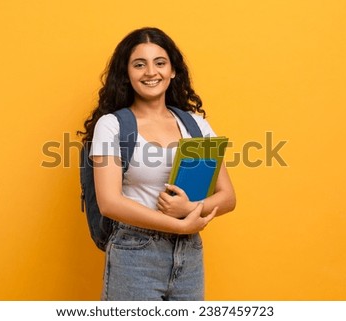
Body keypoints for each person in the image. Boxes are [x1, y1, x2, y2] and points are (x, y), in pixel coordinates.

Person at [79, 27, 236, 300]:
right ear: (127, 74)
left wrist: (189, 209)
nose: (151, 72)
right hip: (134, 253)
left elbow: (228, 197)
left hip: (189, 254)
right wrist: (179, 224)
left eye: (160, 63)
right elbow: (109, 202)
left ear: (173, 70)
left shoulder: (195, 125)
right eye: (139, 64)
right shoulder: (112, 125)